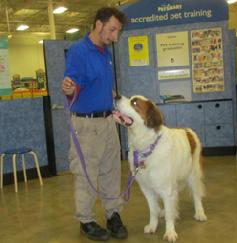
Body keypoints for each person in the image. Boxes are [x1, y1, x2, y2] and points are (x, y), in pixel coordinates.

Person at [62, 7, 127, 241]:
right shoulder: (79, 51)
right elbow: (73, 87)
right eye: (112, 30)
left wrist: (111, 99)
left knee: (112, 170)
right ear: (98, 24)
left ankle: (113, 214)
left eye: (117, 31)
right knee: (85, 173)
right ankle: (86, 220)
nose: (115, 36)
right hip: (86, 126)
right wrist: (69, 89)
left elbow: (96, 84)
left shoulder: (105, 52)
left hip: (108, 121)